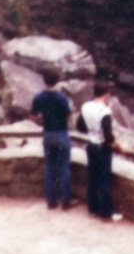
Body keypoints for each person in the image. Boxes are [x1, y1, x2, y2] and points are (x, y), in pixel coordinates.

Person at [29, 69, 74, 209]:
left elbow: (33, 116)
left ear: (44, 80)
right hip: (61, 133)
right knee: (64, 167)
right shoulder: (62, 97)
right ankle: (66, 201)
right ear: (57, 80)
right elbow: (70, 117)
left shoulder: (39, 97)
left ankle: (51, 201)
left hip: (48, 134)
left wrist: (42, 119)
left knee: (49, 167)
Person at [79, 77, 122, 221]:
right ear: (105, 94)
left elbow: (80, 126)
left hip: (91, 145)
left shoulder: (85, 106)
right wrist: (120, 146)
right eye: (108, 94)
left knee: (92, 178)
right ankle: (106, 213)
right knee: (105, 180)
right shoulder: (105, 111)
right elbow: (108, 135)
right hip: (102, 148)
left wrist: (92, 130)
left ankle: (93, 208)